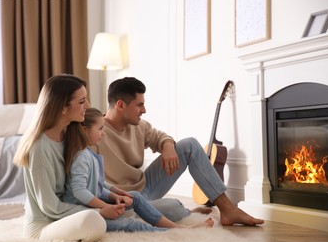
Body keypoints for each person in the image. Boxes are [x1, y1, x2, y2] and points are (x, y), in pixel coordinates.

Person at [97, 76, 264, 226]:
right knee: (173, 207)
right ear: (120, 105)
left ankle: (228, 209)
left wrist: (168, 146)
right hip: (124, 199)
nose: (144, 110)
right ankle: (186, 213)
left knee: (189, 145)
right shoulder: (95, 132)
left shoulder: (140, 126)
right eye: (139, 105)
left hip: (145, 186)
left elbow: (161, 137)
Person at [63, 108, 214, 232]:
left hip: (100, 205)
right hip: (87, 213)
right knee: (129, 224)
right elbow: (80, 191)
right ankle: (171, 231)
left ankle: (177, 227)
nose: (103, 133)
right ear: (84, 130)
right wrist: (106, 206)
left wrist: (117, 194)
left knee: (134, 196)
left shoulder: (89, 153)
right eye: (100, 129)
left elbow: (97, 186)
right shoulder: (81, 157)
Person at [13, 74, 112, 242]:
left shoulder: (70, 133)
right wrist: (99, 211)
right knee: (94, 221)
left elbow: (83, 176)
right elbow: (49, 206)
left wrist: (112, 195)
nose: (87, 106)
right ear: (63, 107)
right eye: (81, 102)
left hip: (67, 215)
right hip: (44, 226)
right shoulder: (39, 147)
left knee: (137, 207)